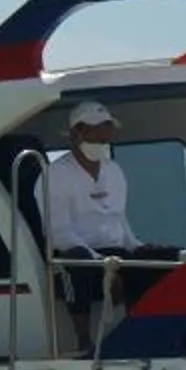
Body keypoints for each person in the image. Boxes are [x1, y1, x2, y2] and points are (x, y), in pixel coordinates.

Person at [42, 99, 134, 257]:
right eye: (94, 132)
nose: (101, 138)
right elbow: (58, 234)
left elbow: (120, 223)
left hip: (118, 257)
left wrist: (139, 248)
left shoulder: (114, 170)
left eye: (105, 133)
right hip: (81, 261)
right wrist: (98, 260)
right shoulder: (55, 174)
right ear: (75, 135)